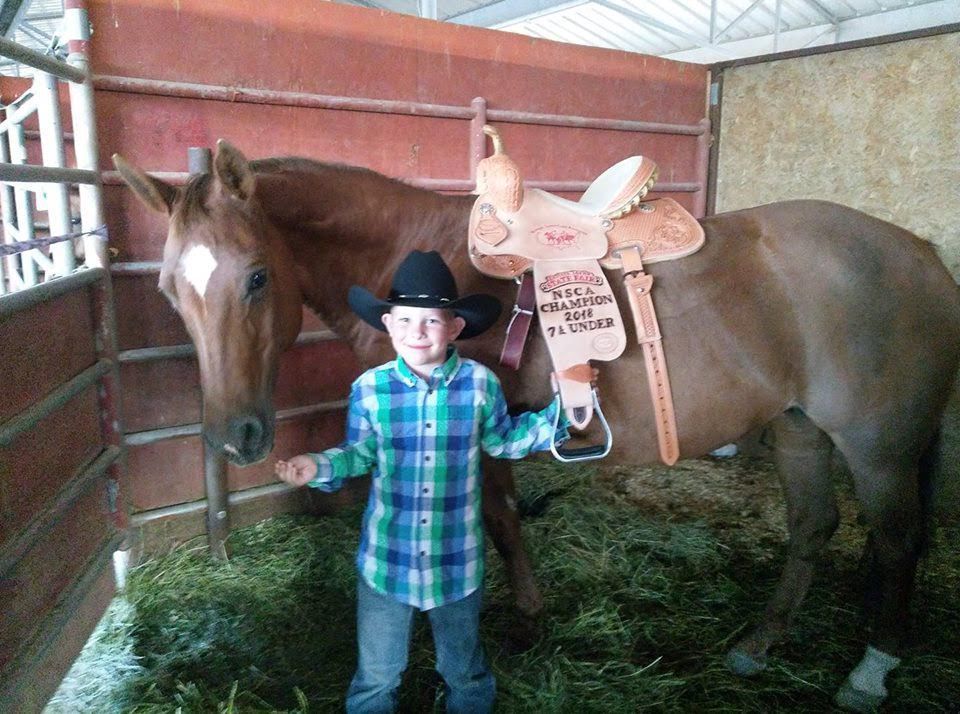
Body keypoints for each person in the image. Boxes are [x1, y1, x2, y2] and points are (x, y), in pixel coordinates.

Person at [275, 250, 565, 714]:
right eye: (405, 321)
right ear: (388, 325)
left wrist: (563, 414)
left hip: (457, 563)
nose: (417, 333)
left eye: (431, 322)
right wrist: (320, 466)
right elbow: (360, 452)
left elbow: (503, 441)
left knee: (465, 672)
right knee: (377, 676)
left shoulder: (480, 384)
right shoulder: (369, 389)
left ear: (454, 328)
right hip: (387, 562)